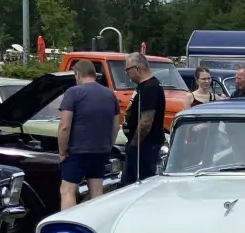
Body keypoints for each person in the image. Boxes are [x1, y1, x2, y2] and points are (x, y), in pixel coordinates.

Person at [57, 60, 121, 209]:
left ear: (77, 74)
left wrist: (62, 151)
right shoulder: (110, 94)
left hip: (77, 151)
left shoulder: (73, 92)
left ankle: (69, 227)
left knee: (67, 190)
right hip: (101, 150)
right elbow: (115, 126)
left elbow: (64, 126)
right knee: (97, 191)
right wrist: (108, 146)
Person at [122, 53, 167, 184]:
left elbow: (146, 121)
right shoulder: (143, 87)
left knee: (135, 184)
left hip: (146, 147)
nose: (127, 73)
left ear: (137, 68)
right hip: (142, 146)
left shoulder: (150, 88)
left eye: (127, 70)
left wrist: (134, 145)